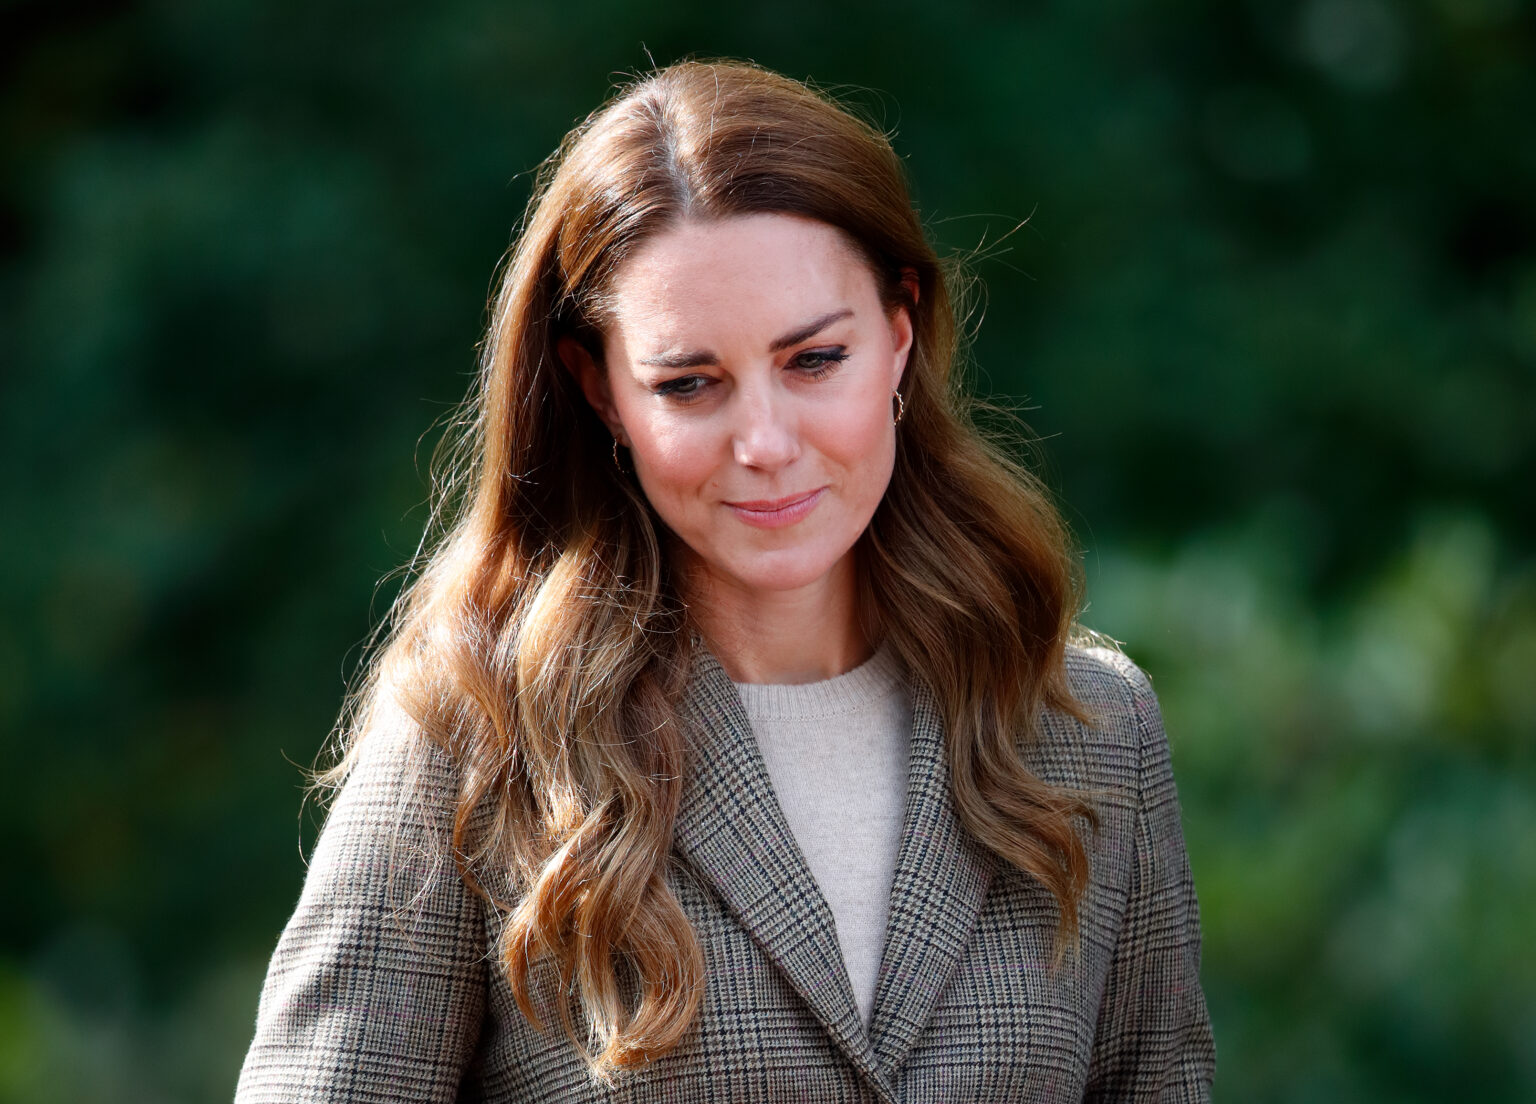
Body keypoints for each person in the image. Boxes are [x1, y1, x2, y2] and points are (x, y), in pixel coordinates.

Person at [235, 58, 1215, 1103]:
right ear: (600, 389)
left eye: (813, 361)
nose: (765, 443)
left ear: (899, 333)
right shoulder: (473, 745)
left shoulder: (1090, 733)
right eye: (691, 385)